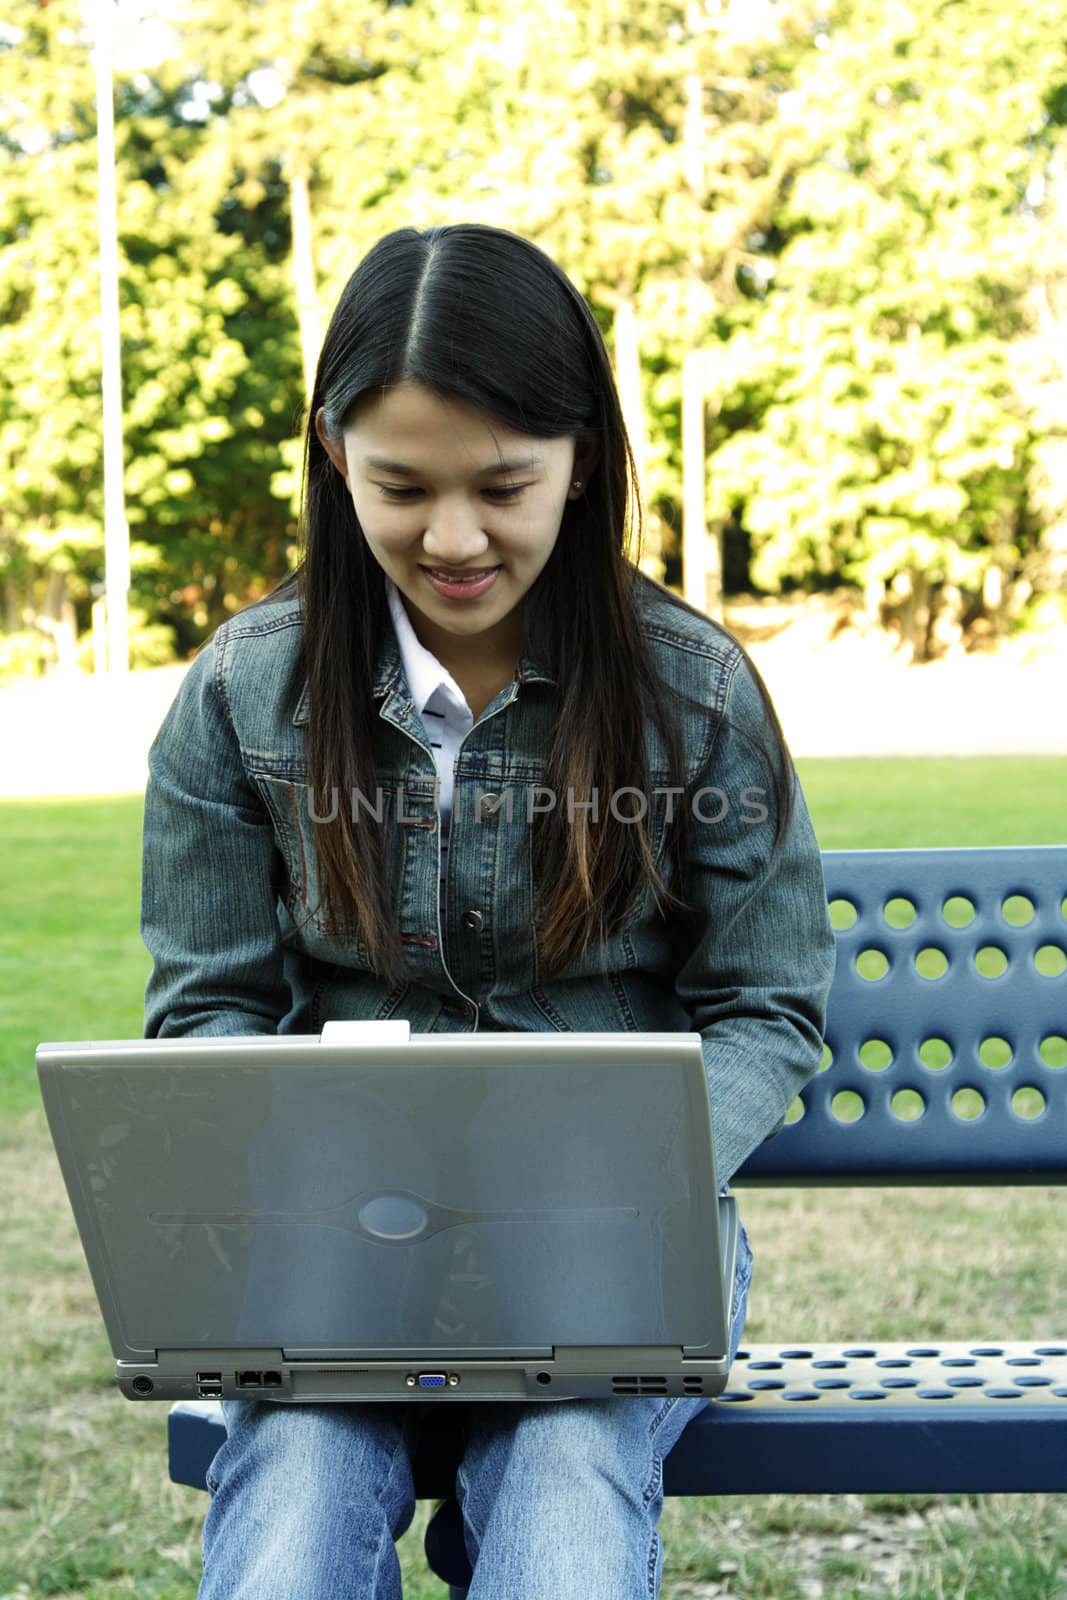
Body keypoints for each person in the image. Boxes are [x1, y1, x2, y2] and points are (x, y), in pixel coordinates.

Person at [141, 222, 835, 1600]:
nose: (451, 539)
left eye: (504, 485)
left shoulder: (692, 690)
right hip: (347, 1256)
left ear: (583, 464)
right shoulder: (239, 693)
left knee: (571, 1467)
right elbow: (208, 1013)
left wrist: (626, 1172)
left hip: (615, 1249)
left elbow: (769, 1005)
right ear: (334, 458)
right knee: (294, 1480)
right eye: (400, 486)